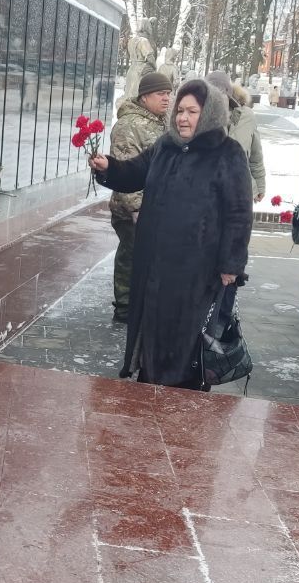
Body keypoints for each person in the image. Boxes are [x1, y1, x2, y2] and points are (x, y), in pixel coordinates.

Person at [89, 79, 253, 389]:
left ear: (209, 114)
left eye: (192, 111)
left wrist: (231, 264)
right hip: (154, 261)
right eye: (180, 110)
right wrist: (108, 167)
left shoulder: (227, 153)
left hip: (196, 268)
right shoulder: (166, 145)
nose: (182, 117)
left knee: (186, 333)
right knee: (152, 323)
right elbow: (135, 172)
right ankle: (150, 376)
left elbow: (239, 214)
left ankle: (183, 391)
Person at [108, 71, 174, 323]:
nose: (167, 99)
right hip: (132, 210)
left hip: (157, 208)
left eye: (168, 93)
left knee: (147, 259)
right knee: (131, 256)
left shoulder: (161, 122)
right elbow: (126, 168)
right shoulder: (129, 125)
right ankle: (124, 307)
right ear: (145, 97)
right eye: (161, 94)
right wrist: (137, 208)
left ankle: (142, 305)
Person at [206, 71, 266, 200]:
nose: (217, 99)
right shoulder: (201, 119)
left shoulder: (247, 117)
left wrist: (260, 185)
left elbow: (255, 155)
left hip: (241, 189)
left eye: (221, 93)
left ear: (229, 94)